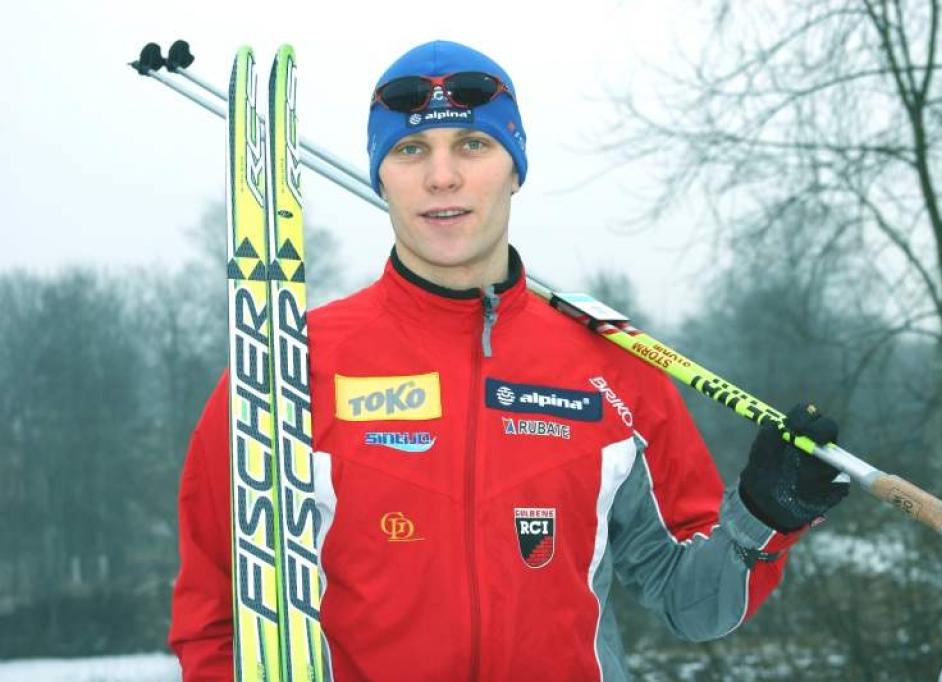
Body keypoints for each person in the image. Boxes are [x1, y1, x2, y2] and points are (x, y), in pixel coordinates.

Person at [168, 39, 850, 681]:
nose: (442, 176)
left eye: (473, 144)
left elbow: (692, 604)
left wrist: (763, 515)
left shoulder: (614, 366)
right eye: (410, 149)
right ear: (381, 177)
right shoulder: (289, 364)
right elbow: (213, 617)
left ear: (515, 168)